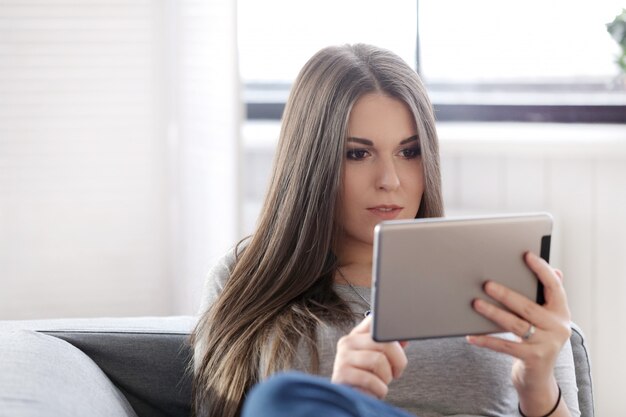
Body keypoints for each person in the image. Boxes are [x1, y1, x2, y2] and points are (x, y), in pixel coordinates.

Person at [191, 44, 579, 417]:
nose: (390, 180)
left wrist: (539, 388)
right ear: (312, 162)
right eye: (358, 154)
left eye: (409, 152)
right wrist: (339, 399)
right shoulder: (241, 278)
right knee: (279, 398)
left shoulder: (506, 273)